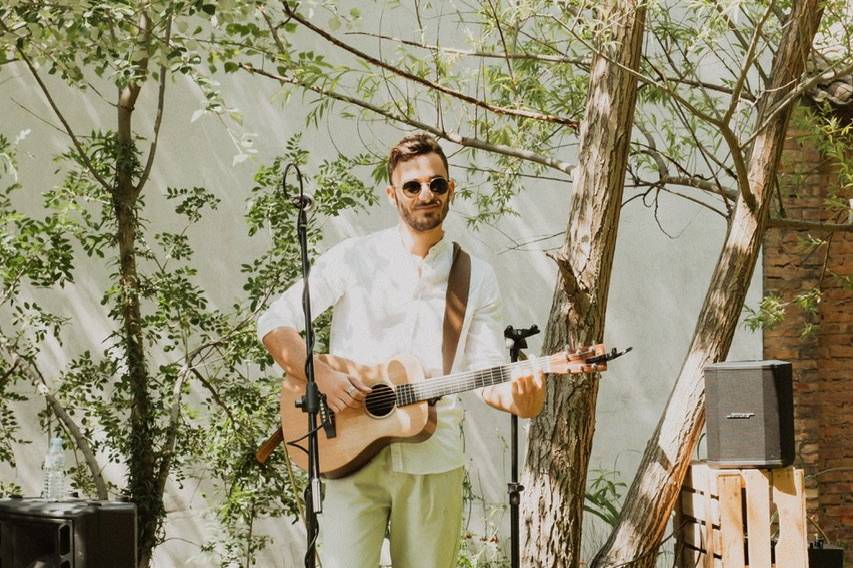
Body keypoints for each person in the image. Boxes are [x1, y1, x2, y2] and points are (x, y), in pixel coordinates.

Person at [257, 133, 545, 568]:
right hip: (349, 452)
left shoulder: (476, 277)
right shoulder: (354, 257)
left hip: (433, 458)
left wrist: (523, 399)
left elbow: (486, 374)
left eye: (437, 184)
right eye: (412, 186)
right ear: (393, 195)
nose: (425, 194)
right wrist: (321, 374)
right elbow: (274, 323)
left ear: (452, 190)